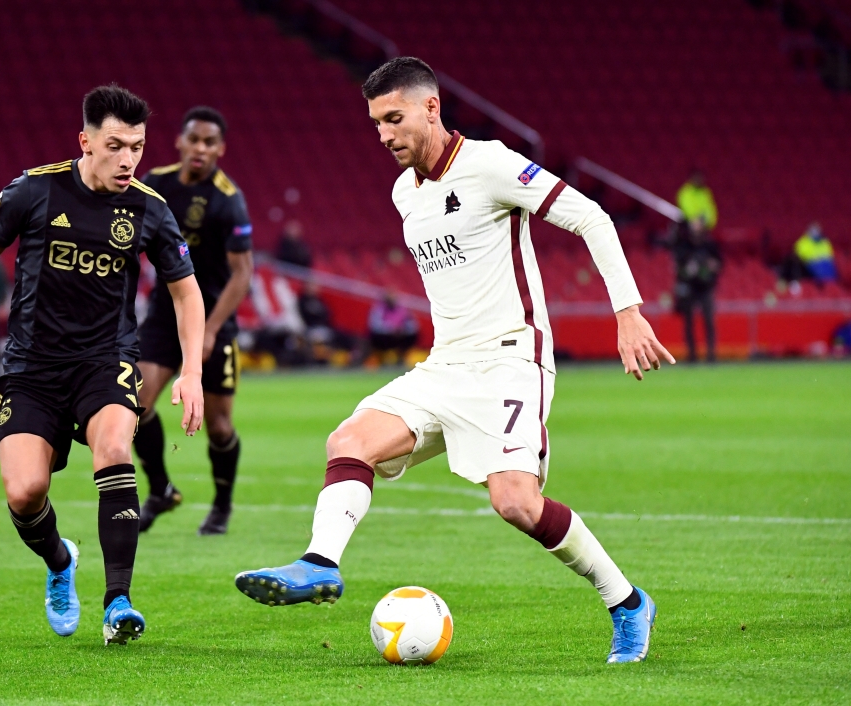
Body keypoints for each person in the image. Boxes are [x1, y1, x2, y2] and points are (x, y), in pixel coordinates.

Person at [235, 57, 674, 664]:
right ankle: (319, 564)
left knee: (516, 502)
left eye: (394, 118)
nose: (384, 135)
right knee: (349, 439)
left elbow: (591, 216)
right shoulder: (403, 192)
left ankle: (626, 602)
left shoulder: (491, 165)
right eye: (376, 124)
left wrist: (627, 311)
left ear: (431, 107)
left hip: (511, 361)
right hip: (445, 365)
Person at [0, 85, 206, 646]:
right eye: (114, 145)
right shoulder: (34, 190)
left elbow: (186, 292)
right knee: (24, 491)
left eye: (136, 146)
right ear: (85, 141)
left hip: (104, 360)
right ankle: (61, 559)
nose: (128, 159)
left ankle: (118, 602)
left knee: (115, 448)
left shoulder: (148, 208)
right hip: (32, 369)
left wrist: (192, 371)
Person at [133, 106, 253, 535]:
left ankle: (221, 506)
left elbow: (242, 274)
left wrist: (213, 328)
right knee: (135, 403)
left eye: (209, 142)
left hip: (215, 318)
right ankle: (161, 489)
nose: (200, 149)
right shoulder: (155, 185)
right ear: (180, 143)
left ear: (220, 149)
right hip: (164, 315)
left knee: (219, 427)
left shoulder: (227, 199)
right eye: (194, 140)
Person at [673, 219, 721, 362]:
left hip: (706, 287)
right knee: (688, 322)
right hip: (690, 288)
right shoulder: (684, 245)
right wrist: (688, 269)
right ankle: (691, 355)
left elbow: (719, 264)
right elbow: (679, 268)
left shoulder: (710, 245)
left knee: (709, 321)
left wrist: (712, 266)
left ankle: (711, 355)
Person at [367, 289, 419, 363]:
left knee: (412, 336)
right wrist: (391, 329)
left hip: (400, 335)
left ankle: (401, 358)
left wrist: (402, 329)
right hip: (384, 337)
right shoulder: (379, 309)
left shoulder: (402, 309)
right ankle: (380, 360)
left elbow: (413, 326)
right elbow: (375, 326)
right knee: (374, 336)